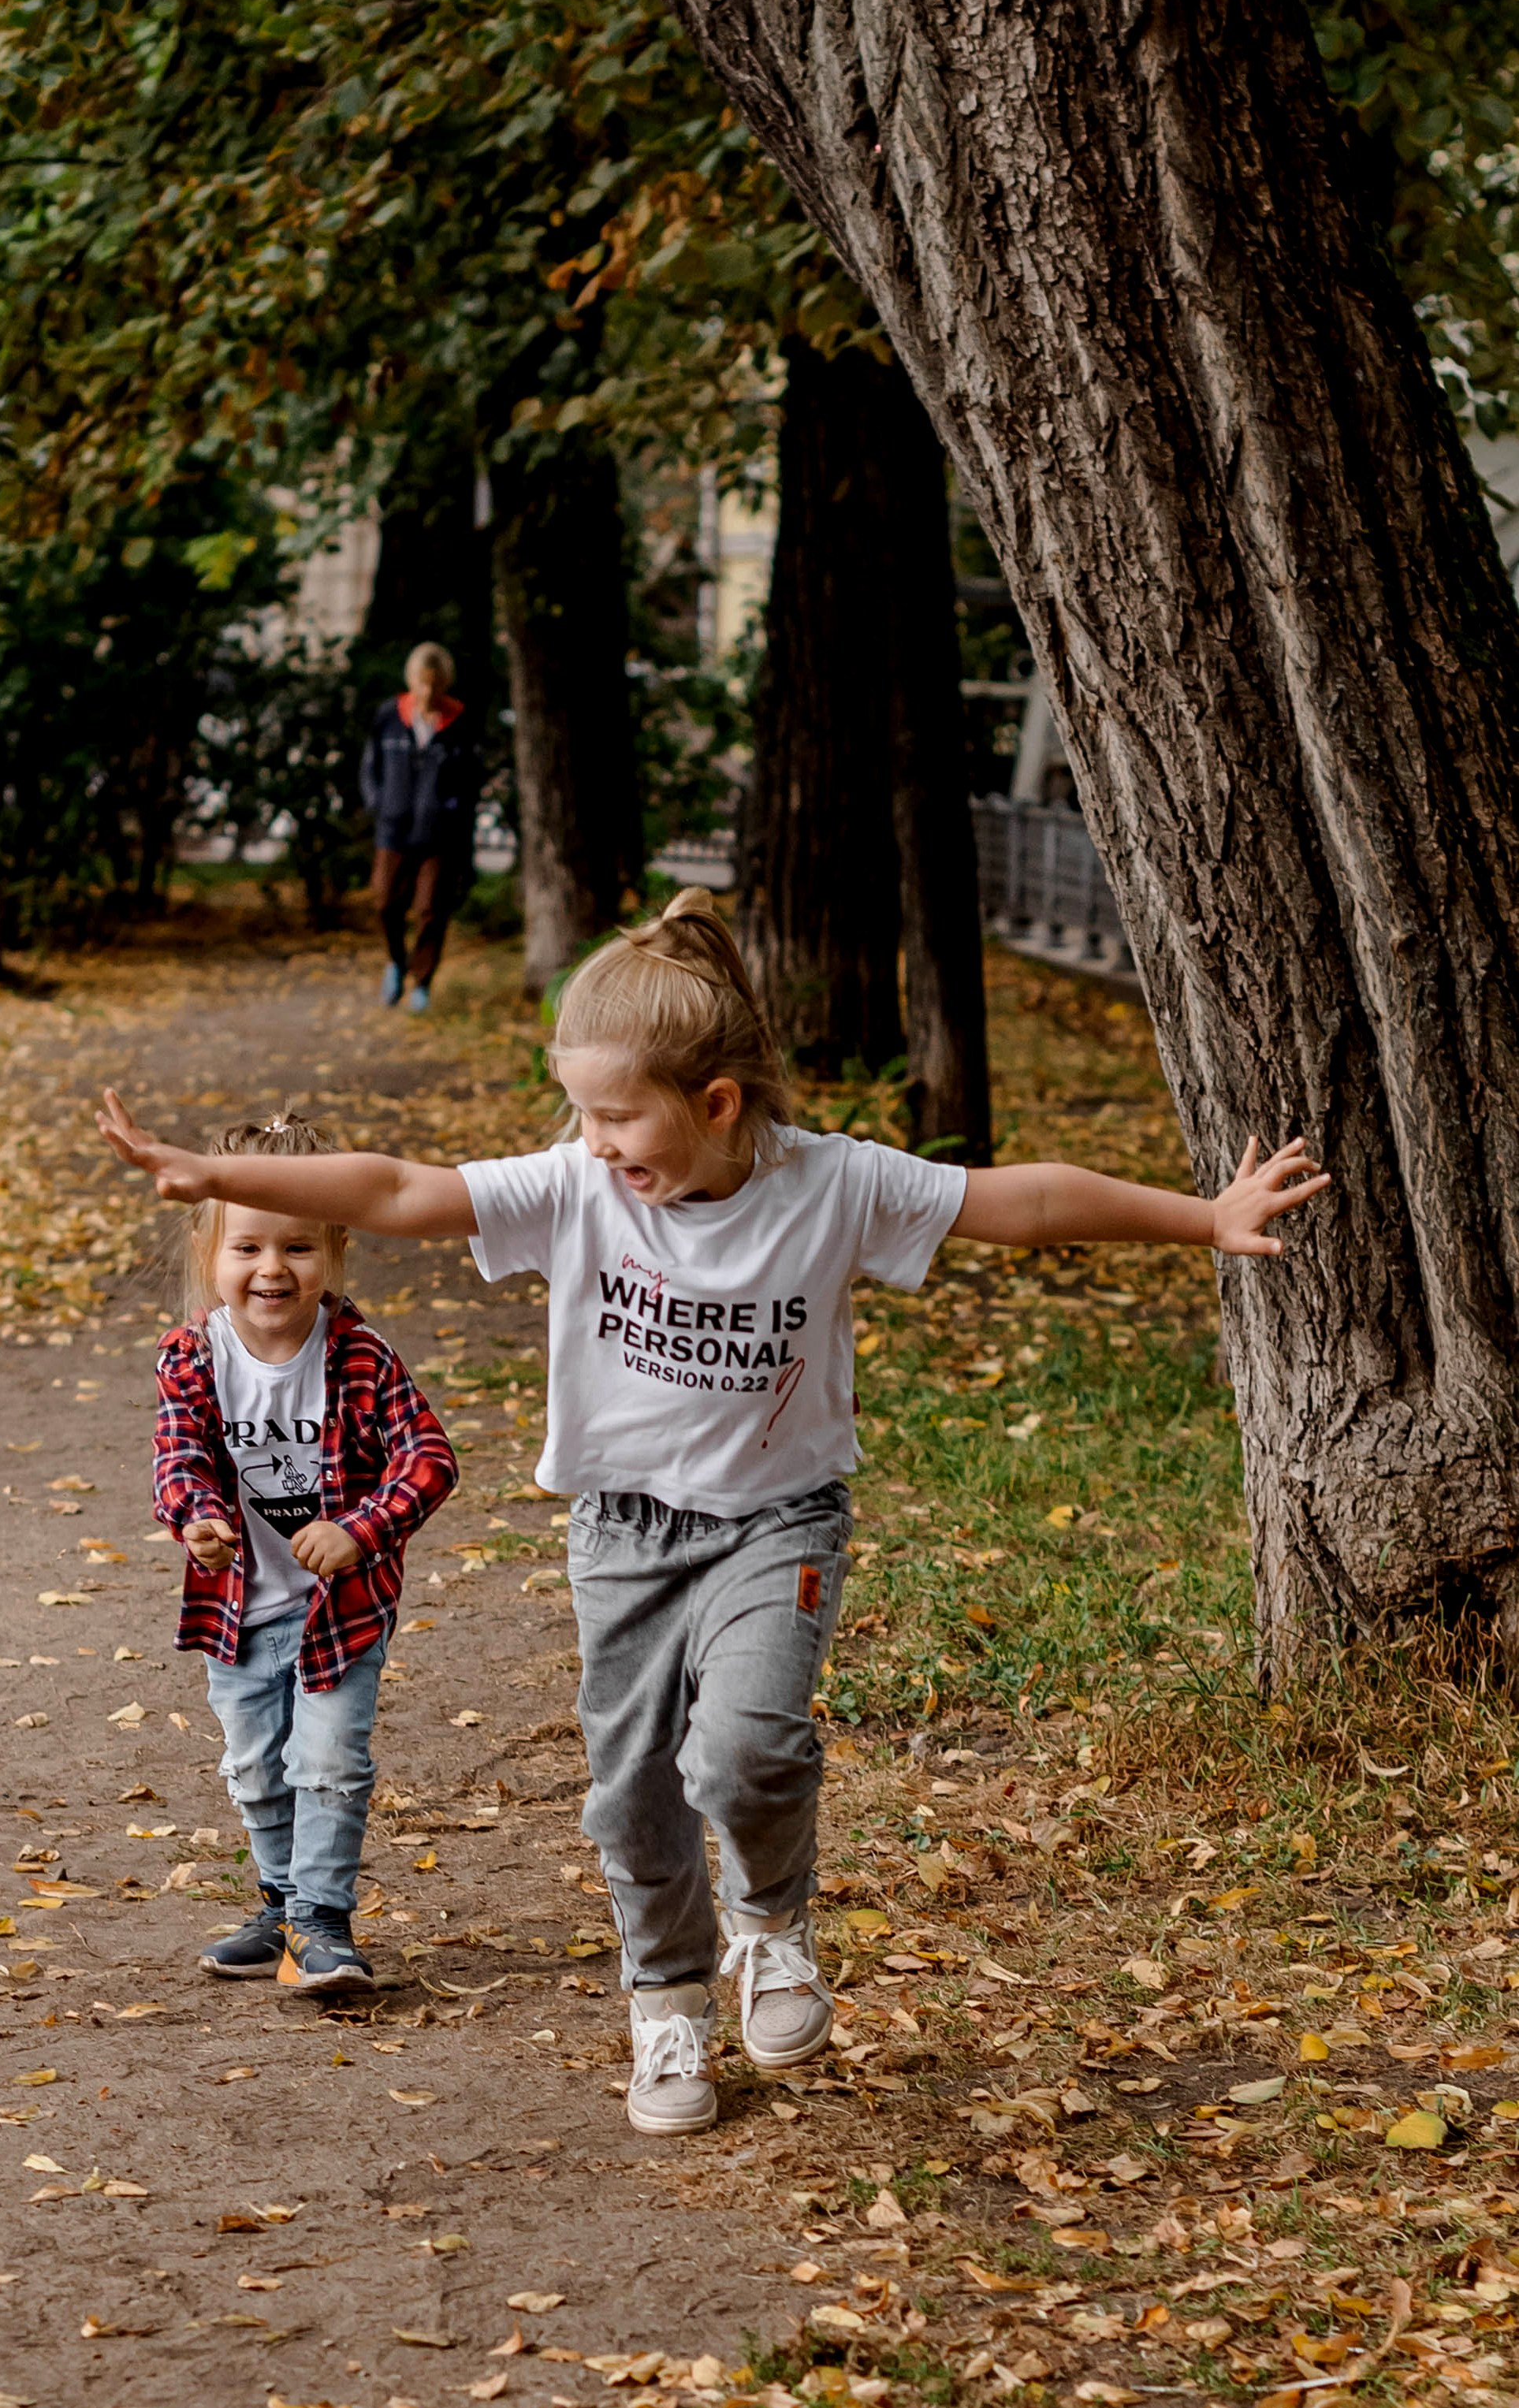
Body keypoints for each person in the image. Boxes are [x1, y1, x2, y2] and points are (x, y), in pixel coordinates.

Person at [99, 891, 1329, 2124]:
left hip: (776, 1519)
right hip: (623, 1535)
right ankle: (670, 2006)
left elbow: (1027, 1202)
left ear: (719, 1102)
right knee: (631, 1792)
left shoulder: (833, 1184)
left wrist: (1203, 1220)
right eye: (581, 1111)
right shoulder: (579, 1186)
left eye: (616, 1114)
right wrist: (222, 1172)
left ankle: (772, 1919)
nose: (591, 1139)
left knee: (744, 1748)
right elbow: (399, 1186)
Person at [151, 1111, 456, 1995]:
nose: (272, 1269)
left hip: (340, 1613)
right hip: (239, 1606)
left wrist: (361, 1530)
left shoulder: (358, 1355)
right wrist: (198, 1520)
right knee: (255, 1765)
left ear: (335, 1250)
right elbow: (180, 1458)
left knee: (326, 1762)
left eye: (297, 1247)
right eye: (248, 1248)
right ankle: (280, 1906)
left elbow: (430, 1458)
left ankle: (323, 1925)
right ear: (212, 1253)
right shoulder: (192, 1357)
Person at [359, 641, 479, 1012]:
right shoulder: (389, 717)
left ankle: (422, 981)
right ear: (412, 681)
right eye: (422, 683)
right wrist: (378, 803)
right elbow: (370, 766)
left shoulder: (459, 722)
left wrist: (453, 811)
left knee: (430, 910)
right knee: (384, 903)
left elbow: (470, 779)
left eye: (436, 684)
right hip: (393, 830)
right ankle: (395, 961)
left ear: (445, 684)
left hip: (439, 836)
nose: (428, 692)